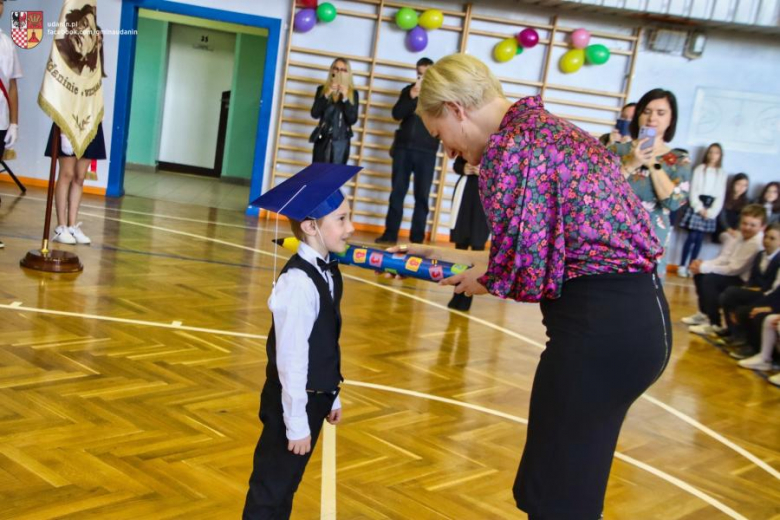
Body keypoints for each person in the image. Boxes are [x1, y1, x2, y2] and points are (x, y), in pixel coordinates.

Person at [392, 54, 669, 520]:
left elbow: (525, 270)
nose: (448, 151)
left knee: (556, 495)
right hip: (638, 322)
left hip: (600, 331)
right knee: (572, 480)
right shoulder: (545, 129)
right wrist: (455, 257)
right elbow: (551, 248)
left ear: (457, 109)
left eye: (441, 136)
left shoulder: (510, 148)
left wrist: (479, 280)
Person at [243, 163, 358, 519]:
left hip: (314, 399)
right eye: (341, 219)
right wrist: (296, 423)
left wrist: (331, 393)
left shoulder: (328, 270)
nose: (350, 228)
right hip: (292, 405)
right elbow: (291, 359)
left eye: (348, 217)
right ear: (310, 227)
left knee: (286, 485)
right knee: (270, 488)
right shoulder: (298, 283)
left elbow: (326, 342)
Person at [611, 89, 692, 277]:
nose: (652, 118)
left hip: (651, 242)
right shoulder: (616, 149)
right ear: (638, 115)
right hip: (611, 237)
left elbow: (674, 202)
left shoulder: (679, 159)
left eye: (660, 113)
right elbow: (597, 192)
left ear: (671, 119)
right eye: (646, 111)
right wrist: (632, 163)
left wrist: (652, 162)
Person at [47, 24, 106, 245]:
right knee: (67, 174)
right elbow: (61, 98)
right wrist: (63, 130)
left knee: (80, 177)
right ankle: (60, 225)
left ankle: (72, 226)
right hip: (69, 123)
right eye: (94, 39)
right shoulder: (70, 68)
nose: (97, 43)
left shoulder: (96, 71)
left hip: (90, 125)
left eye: (100, 41)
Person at [376, 57, 440, 245]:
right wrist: (412, 96)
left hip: (427, 151)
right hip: (403, 149)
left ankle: (417, 238)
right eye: (419, 74)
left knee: (422, 196)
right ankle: (390, 234)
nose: (422, 77)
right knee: (397, 192)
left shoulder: (438, 95)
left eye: (426, 73)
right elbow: (397, 114)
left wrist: (425, 96)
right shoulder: (408, 91)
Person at [683, 204, 767, 336]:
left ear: (762, 227)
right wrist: (702, 264)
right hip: (734, 274)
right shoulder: (741, 236)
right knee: (700, 274)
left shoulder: (756, 243)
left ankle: (715, 323)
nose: (747, 227)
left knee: (709, 279)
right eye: (744, 223)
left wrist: (705, 267)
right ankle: (704, 314)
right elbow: (725, 258)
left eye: (752, 225)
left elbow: (734, 269)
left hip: (744, 281)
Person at [717, 222, 780, 348]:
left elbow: (772, 288)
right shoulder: (760, 255)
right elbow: (753, 278)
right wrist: (747, 288)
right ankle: (734, 331)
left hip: (768, 295)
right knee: (730, 294)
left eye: (772, 238)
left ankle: (748, 342)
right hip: (759, 291)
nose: (767, 241)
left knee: (737, 300)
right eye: (765, 237)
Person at [677, 143, 728, 277]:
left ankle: (691, 266)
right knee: (692, 236)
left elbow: (720, 195)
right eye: (711, 152)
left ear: (720, 155)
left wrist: (711, 212)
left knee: (699, 238)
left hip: (710, 207)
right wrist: (699, 208)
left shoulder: (722, 173)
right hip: (697, 205)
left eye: (716, 153)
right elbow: (693, 190)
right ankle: (682, 265)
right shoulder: (700, 169)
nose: (713, 156)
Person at [447, 156, 489, 311]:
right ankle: (456, 293)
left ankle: (467, 296)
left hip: (485, 197)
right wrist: (464, 168)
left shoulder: (500, 147)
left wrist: (484, 171)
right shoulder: (469, 142)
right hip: (465, 193)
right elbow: (458, 163)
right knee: (461, 249)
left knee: (477, 250)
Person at [0, 0, 22, 250]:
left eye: (1, 2)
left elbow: (13, 86)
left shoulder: (7, 43)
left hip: (1, 120)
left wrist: (14, 123)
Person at [310, 58, 359, 164]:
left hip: (341, 142)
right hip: (323, 138)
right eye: (336, 68)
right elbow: (314, 113)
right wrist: (327, 94)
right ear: (332, 71)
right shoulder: (322, 90)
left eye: (343, 70)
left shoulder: (353, 93)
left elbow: (352, 119)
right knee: (317, 176)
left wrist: (346, 97)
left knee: (335, 178)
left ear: (348, 73)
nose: (339, 72)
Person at [714, 173, 750, 245]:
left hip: (736, 230)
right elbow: (721, 216)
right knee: (730, 240)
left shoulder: (746, 201)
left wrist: (736, 230)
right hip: (721, 228)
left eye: (744, 185)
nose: (741, 188)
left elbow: (742, 218)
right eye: (738, 184)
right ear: (733, 184)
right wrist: (728, 229)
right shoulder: (724, 196)